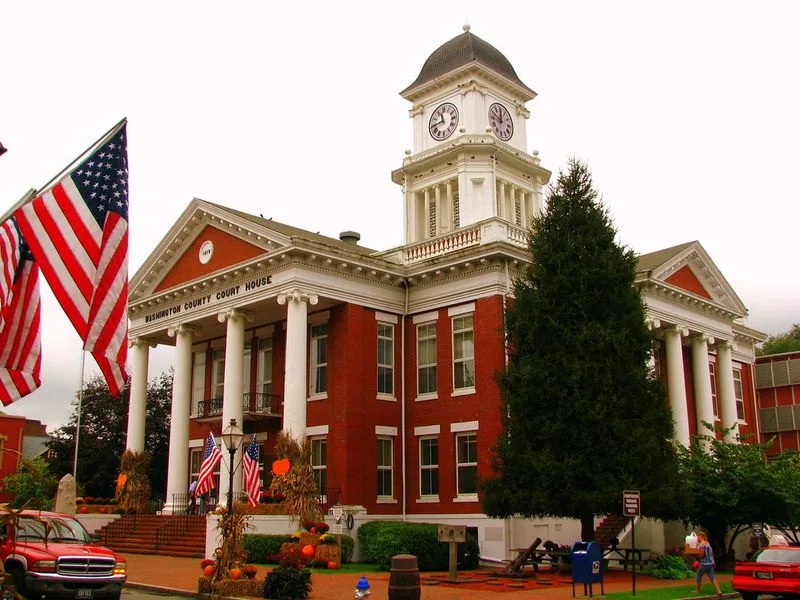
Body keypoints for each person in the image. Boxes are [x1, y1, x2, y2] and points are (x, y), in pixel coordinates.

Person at [695, 531, 722, 597]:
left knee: (698, 576)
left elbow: (702, 555)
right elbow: (711, 554)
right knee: (713, 578)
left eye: (698, 537)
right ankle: (718, 591)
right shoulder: (708, 543)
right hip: (710, 563)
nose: (697, 539)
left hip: (704, 564)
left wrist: (695, 555)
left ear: (700, 537)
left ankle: (697, 590)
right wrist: (713, 562)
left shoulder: (701, 544)